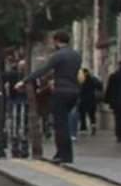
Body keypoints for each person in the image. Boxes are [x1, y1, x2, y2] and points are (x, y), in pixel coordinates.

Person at [19, 30, 82, 164]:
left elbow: (43, 70)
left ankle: (64, 156)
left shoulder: (58, 55)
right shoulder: (76, 55)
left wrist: (25, 80)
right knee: (64, 122)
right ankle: (63, 153)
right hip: (74, 91)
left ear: (57, 41)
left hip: (61, 91)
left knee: (60, 124)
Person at [77, 67, 102, 137]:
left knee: (82, 115)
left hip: (83, 100)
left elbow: (78, 89)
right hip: (92, 99)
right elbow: (100, 86)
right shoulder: (93, 79)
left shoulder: (81, 79)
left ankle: (83, 129)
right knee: (92, 115)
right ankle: (93, 126)